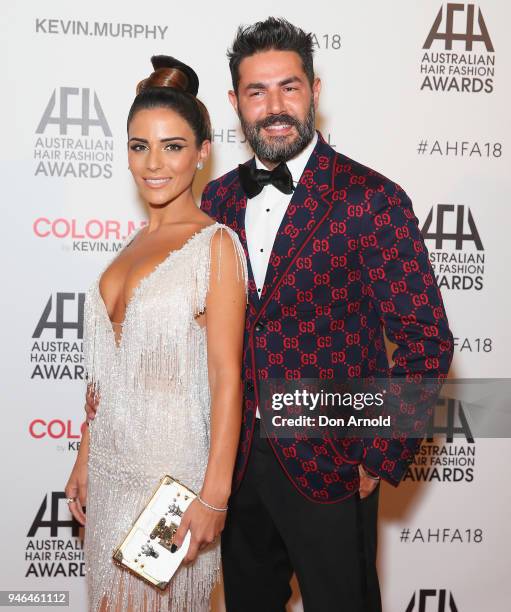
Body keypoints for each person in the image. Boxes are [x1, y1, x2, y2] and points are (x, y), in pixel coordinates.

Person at [199, 18, 454, 612]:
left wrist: (380, 452)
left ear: (315, 89)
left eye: (289, 87)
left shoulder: (372, 198)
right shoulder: (218, 200)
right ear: (235, 101)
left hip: (333, 463)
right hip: (234, 466)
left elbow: (424, 339)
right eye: (257, 92)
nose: (275, 106)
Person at [66, 55, 248, 612]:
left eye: (172, 146)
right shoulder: (127, 249)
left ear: (201, 154)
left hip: (171, 480)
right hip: (111, 470)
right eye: (139, 145)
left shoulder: (215, 246)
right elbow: (111, 376)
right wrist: (83, 457)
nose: (153, 163)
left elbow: (225, 377)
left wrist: (214, 494)